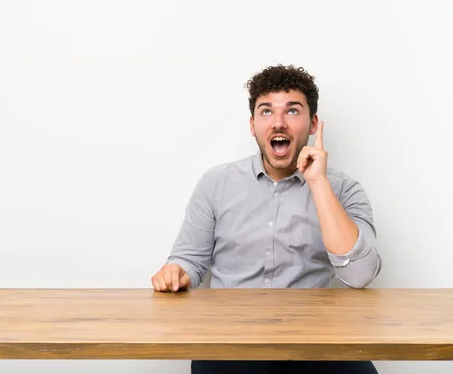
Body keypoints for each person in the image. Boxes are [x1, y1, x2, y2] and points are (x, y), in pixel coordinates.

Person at [150, 64, 382, 374]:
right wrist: (176, 272)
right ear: (252, 124)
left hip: (318, 342)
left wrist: (318, 183)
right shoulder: (216, 183)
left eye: (293, 111)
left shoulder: (343, 189)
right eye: (267, 112)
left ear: (313, 124)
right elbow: (189, 261)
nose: (279, 123)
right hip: (230, 344)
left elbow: (360, 275)